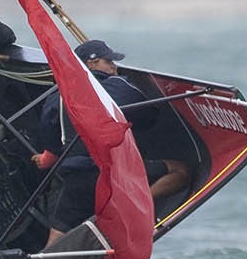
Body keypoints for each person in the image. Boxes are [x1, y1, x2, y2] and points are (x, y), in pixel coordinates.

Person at [38, 39, 176, 245]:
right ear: (91, 63)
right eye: (108, 61)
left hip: (75, 178)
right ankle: (133, 202)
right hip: (113, 175)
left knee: (57, 236)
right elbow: (149, 117)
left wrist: (44, 158)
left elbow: (50, 142)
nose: (114, 67)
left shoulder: (58, 95)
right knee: (181, 171)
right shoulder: (118, 85)